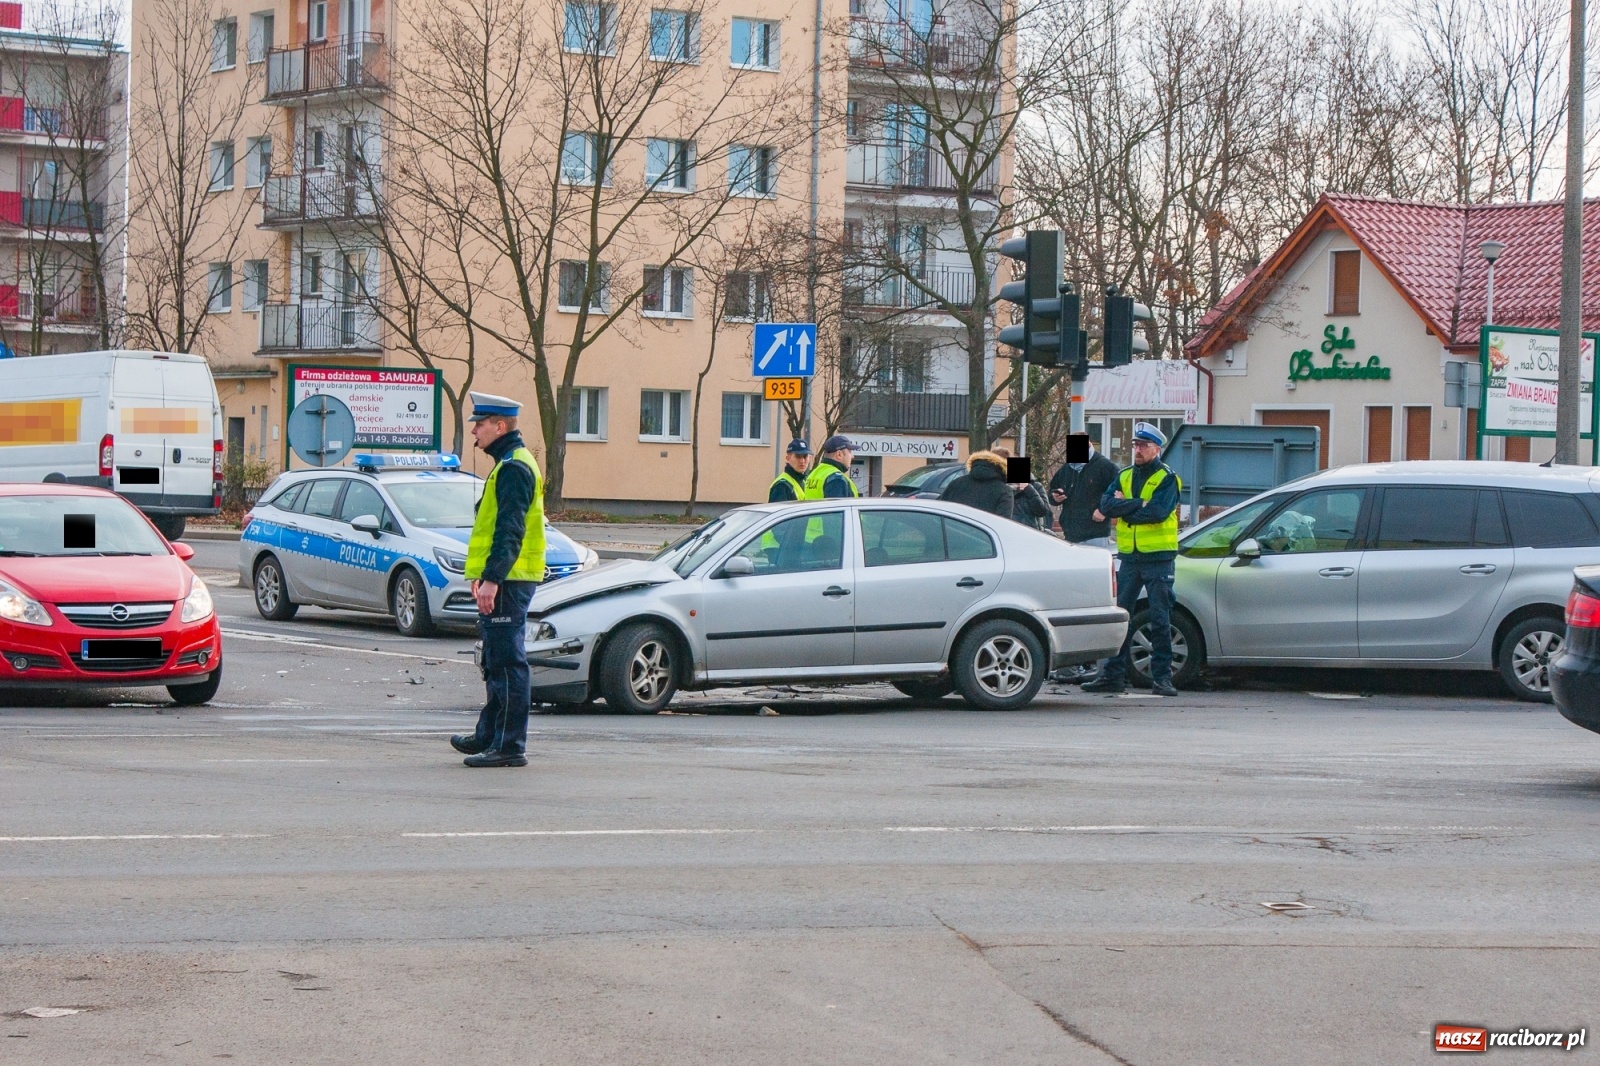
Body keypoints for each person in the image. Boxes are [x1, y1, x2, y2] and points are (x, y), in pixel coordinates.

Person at [450, 392, 546, 768]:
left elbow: (510, 530)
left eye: (480, 423)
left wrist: (492, 579)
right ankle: (489, 734)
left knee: (507, 663)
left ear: (500, 426)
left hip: (511, 580)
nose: (474, 430)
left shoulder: (514, 468)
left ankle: (509, 746)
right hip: (506, 578)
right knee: (495, 659)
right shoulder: (508, 463)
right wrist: (482, 576)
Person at [1082, 422, 1182, 698]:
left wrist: (1125, 507)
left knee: (1160, 619)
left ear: (1157, 449)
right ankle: (1113, 675)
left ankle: (1162, 678)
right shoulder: (1124, 475)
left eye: (1143, 446)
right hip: (1130, 558)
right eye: (1135, 445)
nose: (1137, 450)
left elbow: (1159, 513)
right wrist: (1139, 505)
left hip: (1159, 558)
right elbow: (1106, 505)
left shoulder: (1166, 478)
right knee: (1121, 618)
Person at [1049, 439, 1120, 548]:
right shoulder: (1067, 469)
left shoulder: (1105, 466)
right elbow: (1053, 489)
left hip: (1095, 533)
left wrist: (1104, 510)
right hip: (1071, 534)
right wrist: (1055, 498)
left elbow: (1118, 493)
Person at [938, 449, 1013, 519]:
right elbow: (1002, 524)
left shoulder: (956, 483)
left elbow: (939, 510)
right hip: (981, 532)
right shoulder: (1004, 491)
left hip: (950, 530)